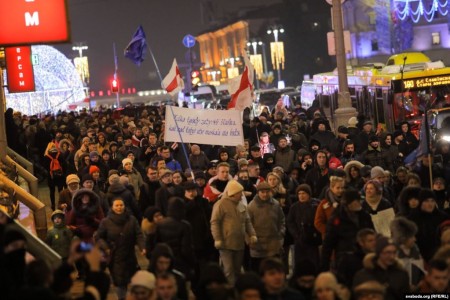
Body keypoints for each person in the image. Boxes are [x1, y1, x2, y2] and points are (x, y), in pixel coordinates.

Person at [95, 198, 145, 300]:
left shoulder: (132, 219)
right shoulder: (106, 221)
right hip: (114, 257)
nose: (119, 207)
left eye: (121, 205)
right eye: (116, 205)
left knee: (132, 279)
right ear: (112, 207)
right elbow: (98, 237)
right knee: (120, 281)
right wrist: (105, 247)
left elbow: (138, 234)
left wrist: (142, 246)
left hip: (130, 255)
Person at [210, 180, 257, 284]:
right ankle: (229, 292)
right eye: (240, 193)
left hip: (239, 243)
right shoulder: (220, 204)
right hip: (226, 244)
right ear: (233, 193)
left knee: (237, 270)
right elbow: (215, 223)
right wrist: (217, 239)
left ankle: (236, 290)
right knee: (228, 270)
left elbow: (247, 221)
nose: (242, 195)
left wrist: (252, 234)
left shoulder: (241, 205)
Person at [321, 189, 374, 271]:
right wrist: (324, 268)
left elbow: (372, 234)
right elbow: (328, 244)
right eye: (357, 201)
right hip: (344, 260)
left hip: (364, 257)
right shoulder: (336, 219)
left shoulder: (365, 216)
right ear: (348, 203)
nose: (359, 203)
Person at [353, 235, 410, 300]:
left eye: (394, 253)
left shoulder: (402, 274)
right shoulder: (362, 275)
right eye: (388, 252)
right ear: (378, 253)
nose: (392, 257)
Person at [247, 182, 285, 272]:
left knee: (273, 270)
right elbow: (247, 224)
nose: (265, 194)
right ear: (258, 193)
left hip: (273, 245)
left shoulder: (275, 204)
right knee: (258, 272)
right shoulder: (251, 206)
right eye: (262, 192)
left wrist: (281, 233)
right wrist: (249, 240)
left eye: (267, 192)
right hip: (257, 246)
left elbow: (281, 220)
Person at [287, 184, 321, 268]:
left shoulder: (316, 205)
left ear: (309, 194)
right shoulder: (294, 207)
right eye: (299, 194)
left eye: (303, 193)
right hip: (299, 240)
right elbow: (290, 222)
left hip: (313, 239)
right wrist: (296, 234)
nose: (301, 196)